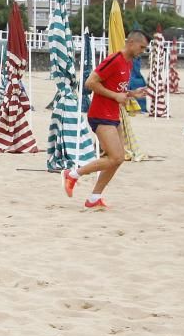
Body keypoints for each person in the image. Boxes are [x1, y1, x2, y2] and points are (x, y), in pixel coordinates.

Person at [62, 30, 149, 208]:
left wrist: (131, 94)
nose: (143, 51)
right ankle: (72, 175)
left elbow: (117, 89)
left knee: (118, 158)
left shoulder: (129, 63)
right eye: (142, 47)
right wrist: (116, 96)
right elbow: (90, 82)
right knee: (116, 157)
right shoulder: (114, 60)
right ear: (131, 42)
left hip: (113, 114)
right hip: (100, 114)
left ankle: (94, 198)